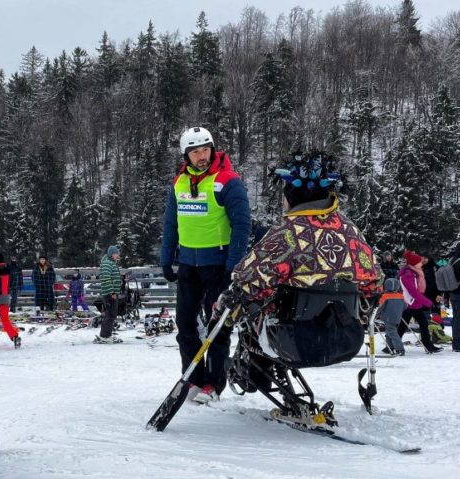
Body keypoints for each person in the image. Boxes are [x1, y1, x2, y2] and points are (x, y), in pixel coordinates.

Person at [229, 151, 381, 423]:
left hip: (295, 340)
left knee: (248, 318)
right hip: (347, 336)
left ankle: (250, 372)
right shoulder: (351, 232)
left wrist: (229, 304)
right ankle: (263, 371)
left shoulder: (287, 234)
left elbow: (248, 280)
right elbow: (374, 281)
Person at [159, 127, 250, 404]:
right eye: (195, 151)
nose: (201, 156)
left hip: (218, 266)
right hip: (188, 265)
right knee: (185, 325)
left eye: (205, 150)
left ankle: (214, 383)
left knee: (218, 327)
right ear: (186, 155)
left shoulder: (228, 182)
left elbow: (242, 226)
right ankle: (193, 378)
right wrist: (166, 257)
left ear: (213, 149)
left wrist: (232, 265)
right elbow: (171, 223)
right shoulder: (179, 183)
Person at [398, 250, 441, 353]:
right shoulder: (408, 275)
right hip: (410, 303)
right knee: (405, 325)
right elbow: (414, 292)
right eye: (419, 262)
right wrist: (427, 302)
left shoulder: (414, 272)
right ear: (414, 264)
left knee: (422, 324)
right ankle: (392, 345)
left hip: (413, 303)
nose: (421, 263)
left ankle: (428, 346)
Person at [96, 245, 122, 344]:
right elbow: (106, 279)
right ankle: (105, 336)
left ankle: (107, 334)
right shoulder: (107, 263)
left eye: (118, 253)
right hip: (109, 294)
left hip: (112, 293)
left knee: (111, 314)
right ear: (111, 254)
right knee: (110, 314)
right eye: (116, 254)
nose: (118, 255)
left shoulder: (111, 263)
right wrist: (112, 292)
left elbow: (112, 277)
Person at [378, 278, 406, 356]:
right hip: (397, 317)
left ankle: (399, 349)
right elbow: (405, 306)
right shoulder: (401, 296)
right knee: (389, 332)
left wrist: (375, 313)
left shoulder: (385, 296)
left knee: (392, 332)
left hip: (388, 317)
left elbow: (380, 307)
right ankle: (389, 347)